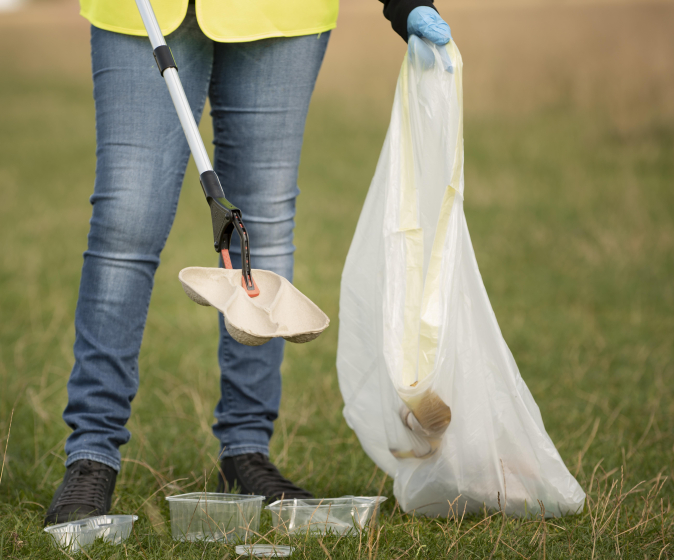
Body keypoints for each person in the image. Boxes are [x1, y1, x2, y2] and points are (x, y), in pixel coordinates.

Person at [44, 0, 452, 526]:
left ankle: (246, 452)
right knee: (127, 220)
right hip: (142, 12)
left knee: (262, 230)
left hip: (280, 14)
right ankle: (91, 454)